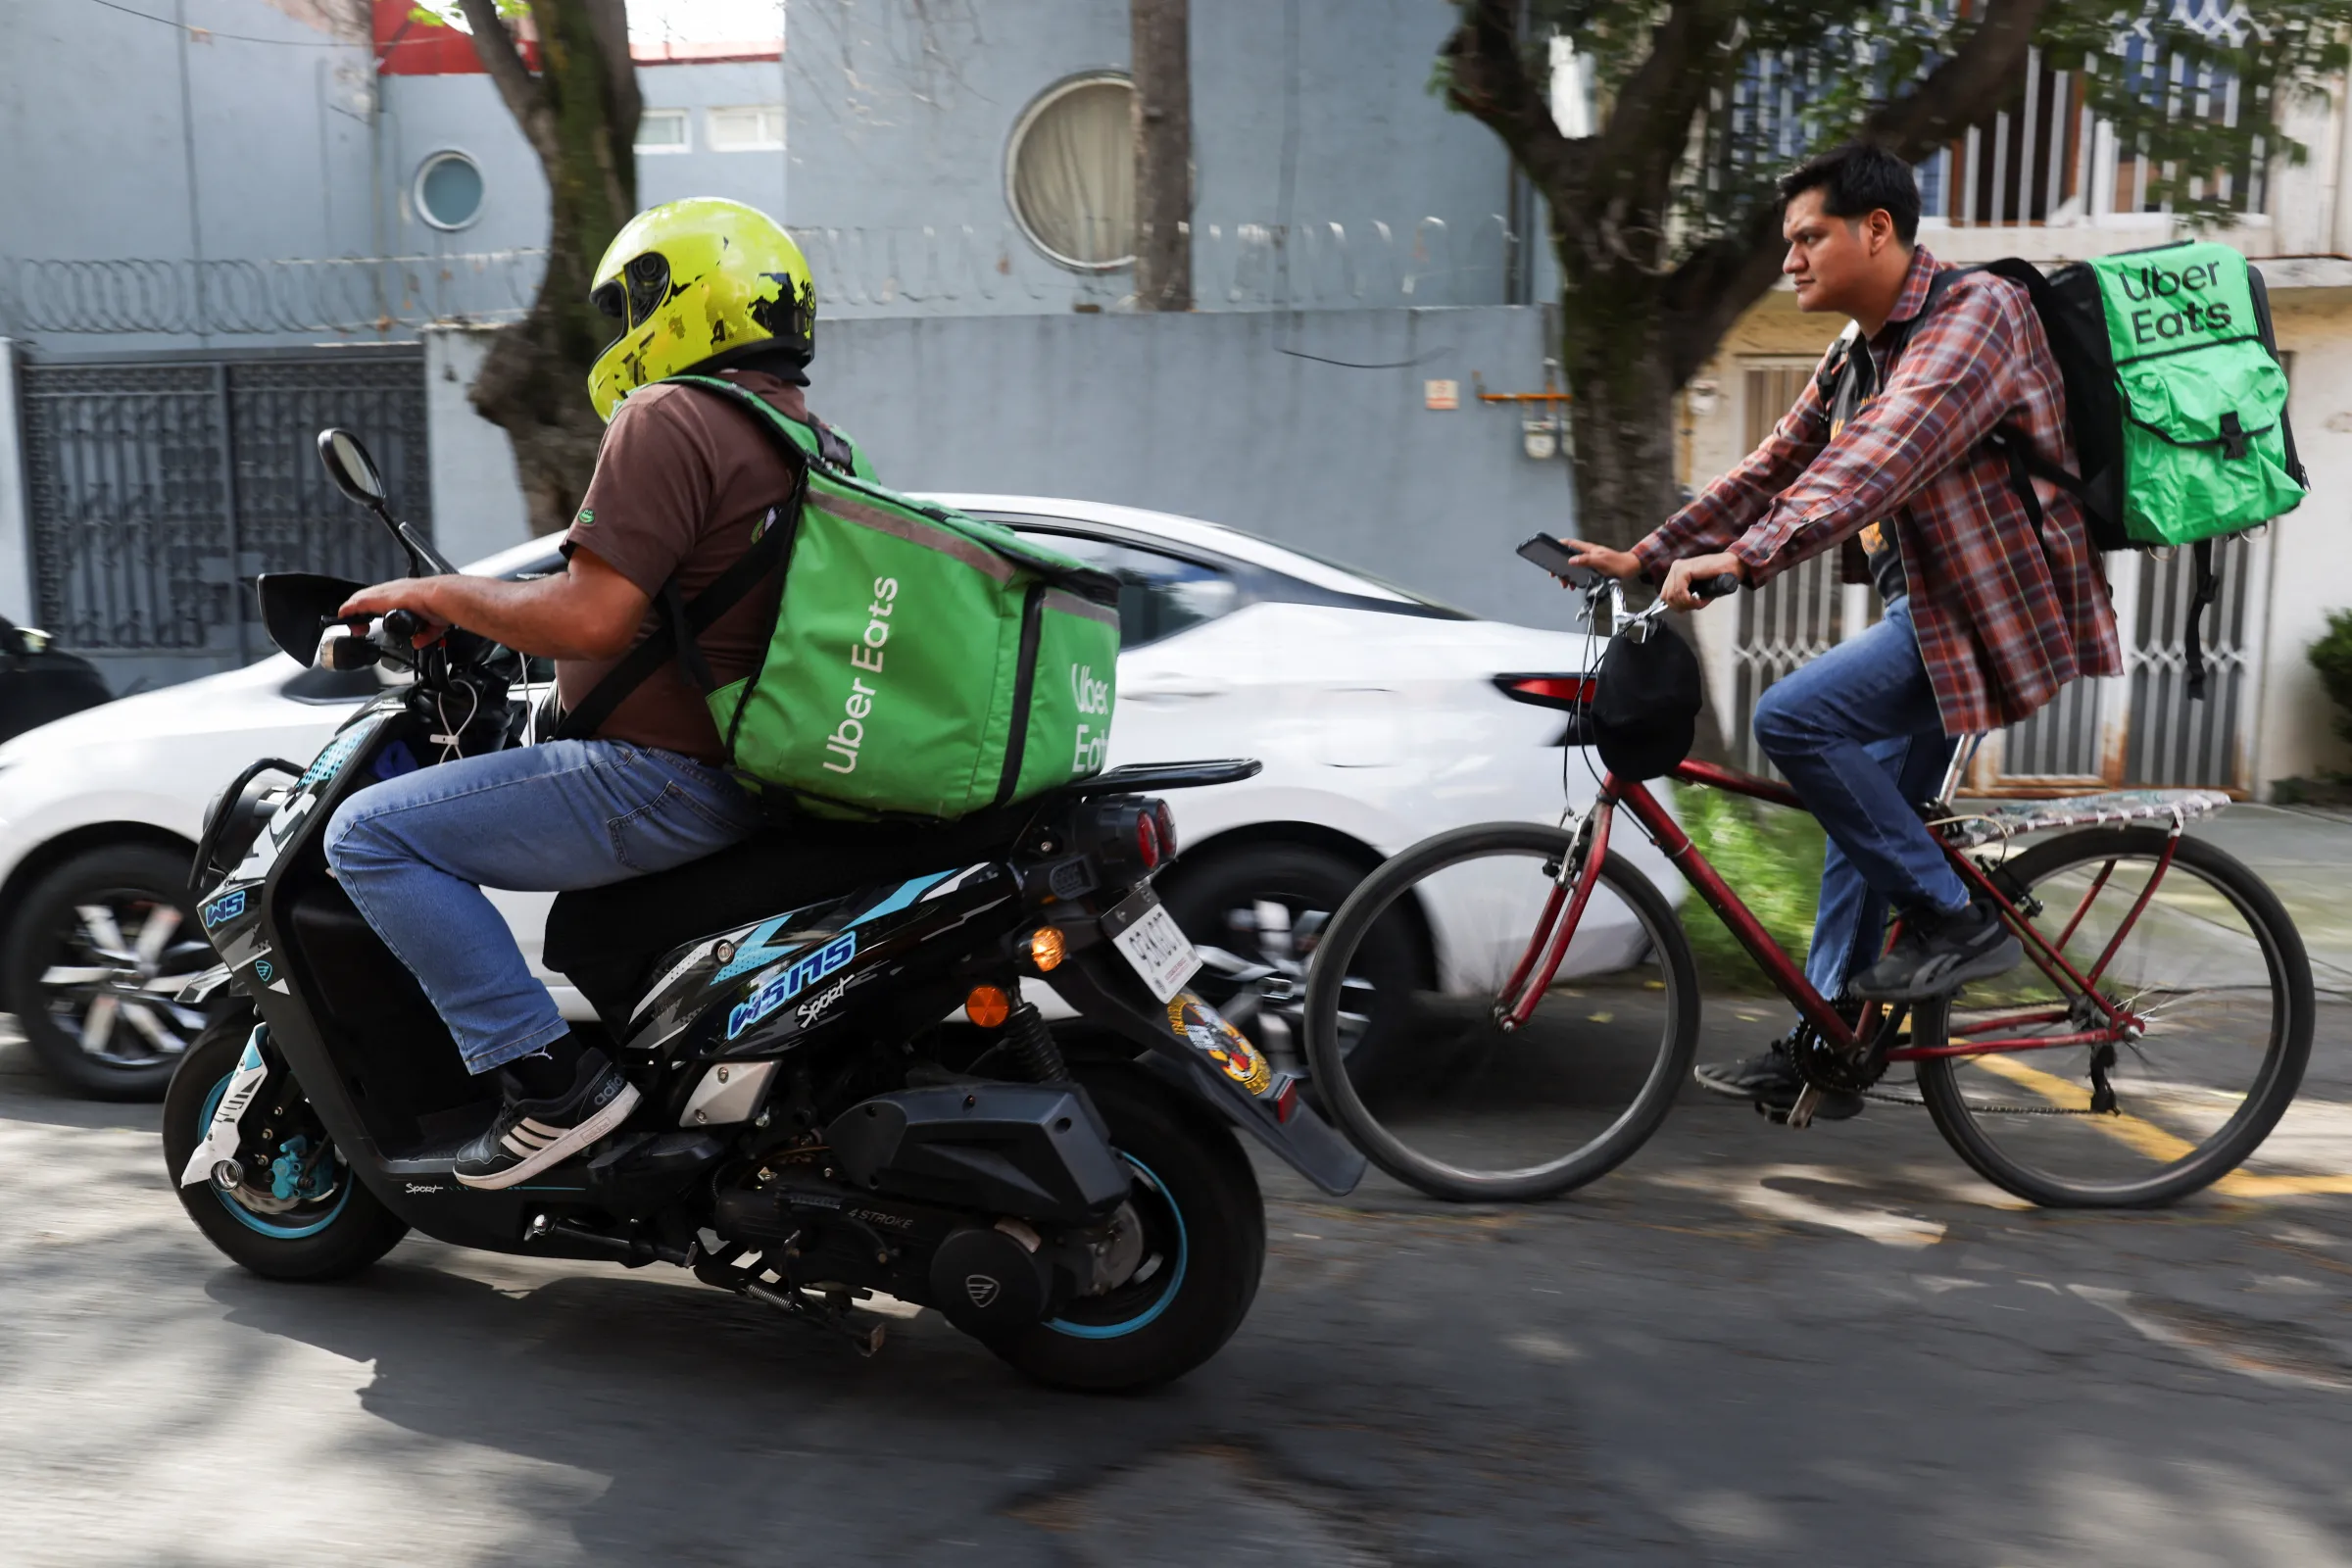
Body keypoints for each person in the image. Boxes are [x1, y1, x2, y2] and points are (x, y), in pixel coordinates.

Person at [1564, 142, 2123, 1116]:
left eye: (1808, 235)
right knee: (1860, 832)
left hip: (1992, 615)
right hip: (1931, 614)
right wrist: (1646, 556)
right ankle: (1825, 1048)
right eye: (1788, 241)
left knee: (1793, 720)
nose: (1791, 259)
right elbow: (1774, 468)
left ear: (1877, 228)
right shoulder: (1860, 350)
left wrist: (1744, 560)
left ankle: (1956, 922)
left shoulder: (1977, 317)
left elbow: (1874, 459)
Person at [324, 197, 827, 1187]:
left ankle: (552, 1089)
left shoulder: (672, 415)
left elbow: (593, 616)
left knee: (370, 836)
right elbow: (680, 614)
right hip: (752, 774)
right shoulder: (805, 439)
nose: (627, 330)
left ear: (688, 299)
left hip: (662, 779)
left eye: (637, 300)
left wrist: (438, 592)